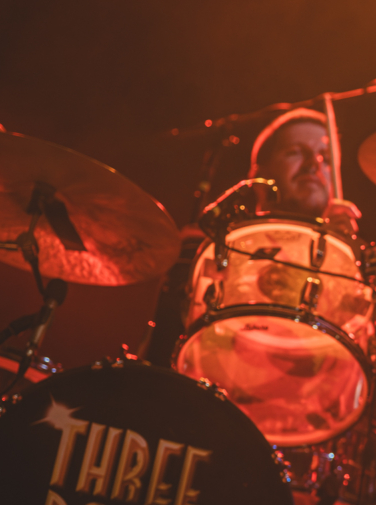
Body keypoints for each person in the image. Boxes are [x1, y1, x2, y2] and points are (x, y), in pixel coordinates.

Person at [140, 107, 359, 364]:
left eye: (325, 157)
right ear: (259, 173)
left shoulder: (351, 264)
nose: (314, 164)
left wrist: (343, 261)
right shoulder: (211, 246)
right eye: (296, 152)